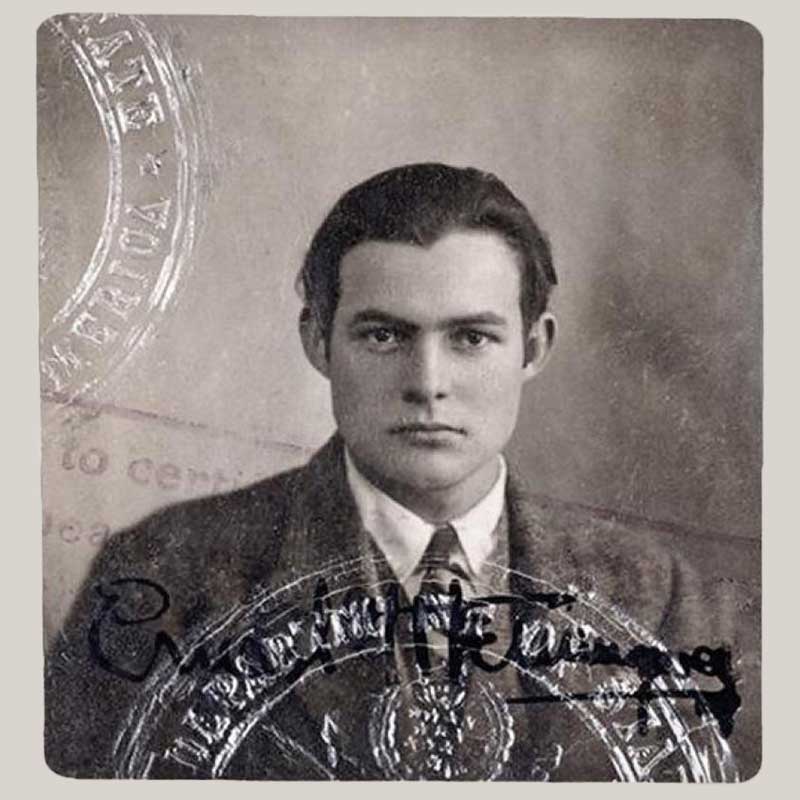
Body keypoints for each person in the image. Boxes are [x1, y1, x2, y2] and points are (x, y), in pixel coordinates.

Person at [44, 163, 760, 781]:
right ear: (318, 342)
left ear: (534, 348)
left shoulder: (654, 596)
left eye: (472, 338)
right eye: (384, 335)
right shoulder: (163, 578)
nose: (427, 382)